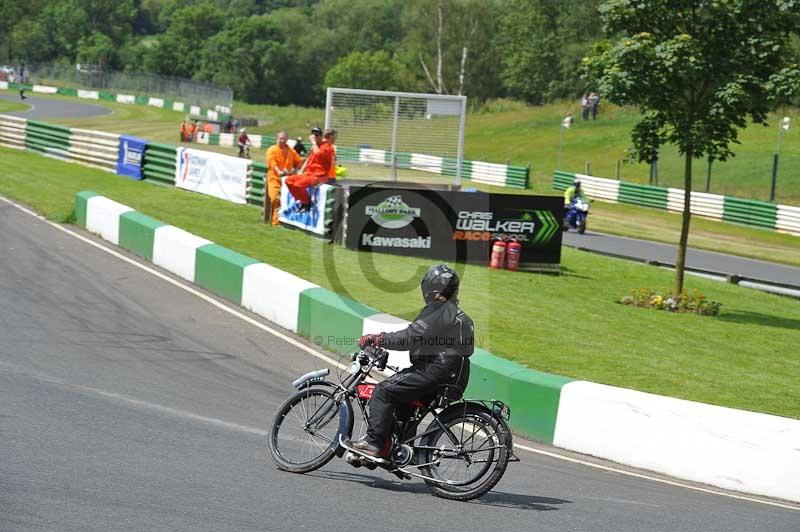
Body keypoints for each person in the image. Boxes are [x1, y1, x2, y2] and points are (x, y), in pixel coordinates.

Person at [345, 264, 474, 458]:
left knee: (382, 392)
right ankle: (401, 452)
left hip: (434, 371)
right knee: (404, 402)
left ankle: (373, 443)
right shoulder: (460, 315)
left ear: (430, 289)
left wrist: (378, 338)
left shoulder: (437, 309)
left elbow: (410, 337)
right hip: (456, 376)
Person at [285, 127, 336, 211]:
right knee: (288, 181)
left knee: (298, 185)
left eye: (317, 135)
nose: (315, 136)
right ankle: (303, 201)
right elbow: (309, 159)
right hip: (309, 173)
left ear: (321, 136)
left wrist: (313, 143)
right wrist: (301, 170)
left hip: (320, 176)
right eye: (313, 134)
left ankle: (307, 203)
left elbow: (318, 155)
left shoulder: (326, 146)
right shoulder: (315, 146)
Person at [266, 131, 303, 226]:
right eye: (280, 138)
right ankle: (276, 221)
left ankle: (278, 223)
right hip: (274, 179)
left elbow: (299, 162)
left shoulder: (292, 151)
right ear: (276, 139)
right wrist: (278, 171)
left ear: (287, 139)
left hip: (287, 181)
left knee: (285, 201)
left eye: (284, 139)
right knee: (275, 198)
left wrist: (294, 170)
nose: (282, 140)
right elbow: (272, 162)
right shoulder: (272, 150)